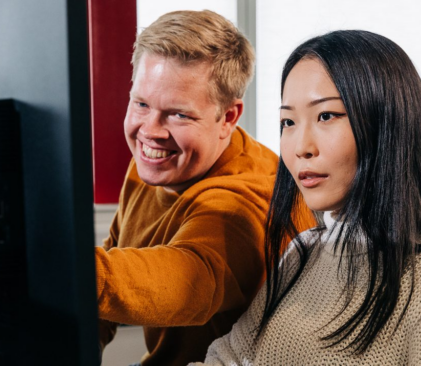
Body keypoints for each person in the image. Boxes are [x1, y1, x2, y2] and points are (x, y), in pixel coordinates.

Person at [198, 30, 421, 365]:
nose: (301, 147)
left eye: (326, 116)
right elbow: (226, 359)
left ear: (386, 123)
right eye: (288, 121)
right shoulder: (304, 252)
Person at [95, 10, 314, 366]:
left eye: (178, 114)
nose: (149, 131)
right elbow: (115, 256)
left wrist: (59, 265)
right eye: (141, 103)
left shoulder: (248, 198)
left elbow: (190, 281)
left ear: (228, 117)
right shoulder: (155, 164)